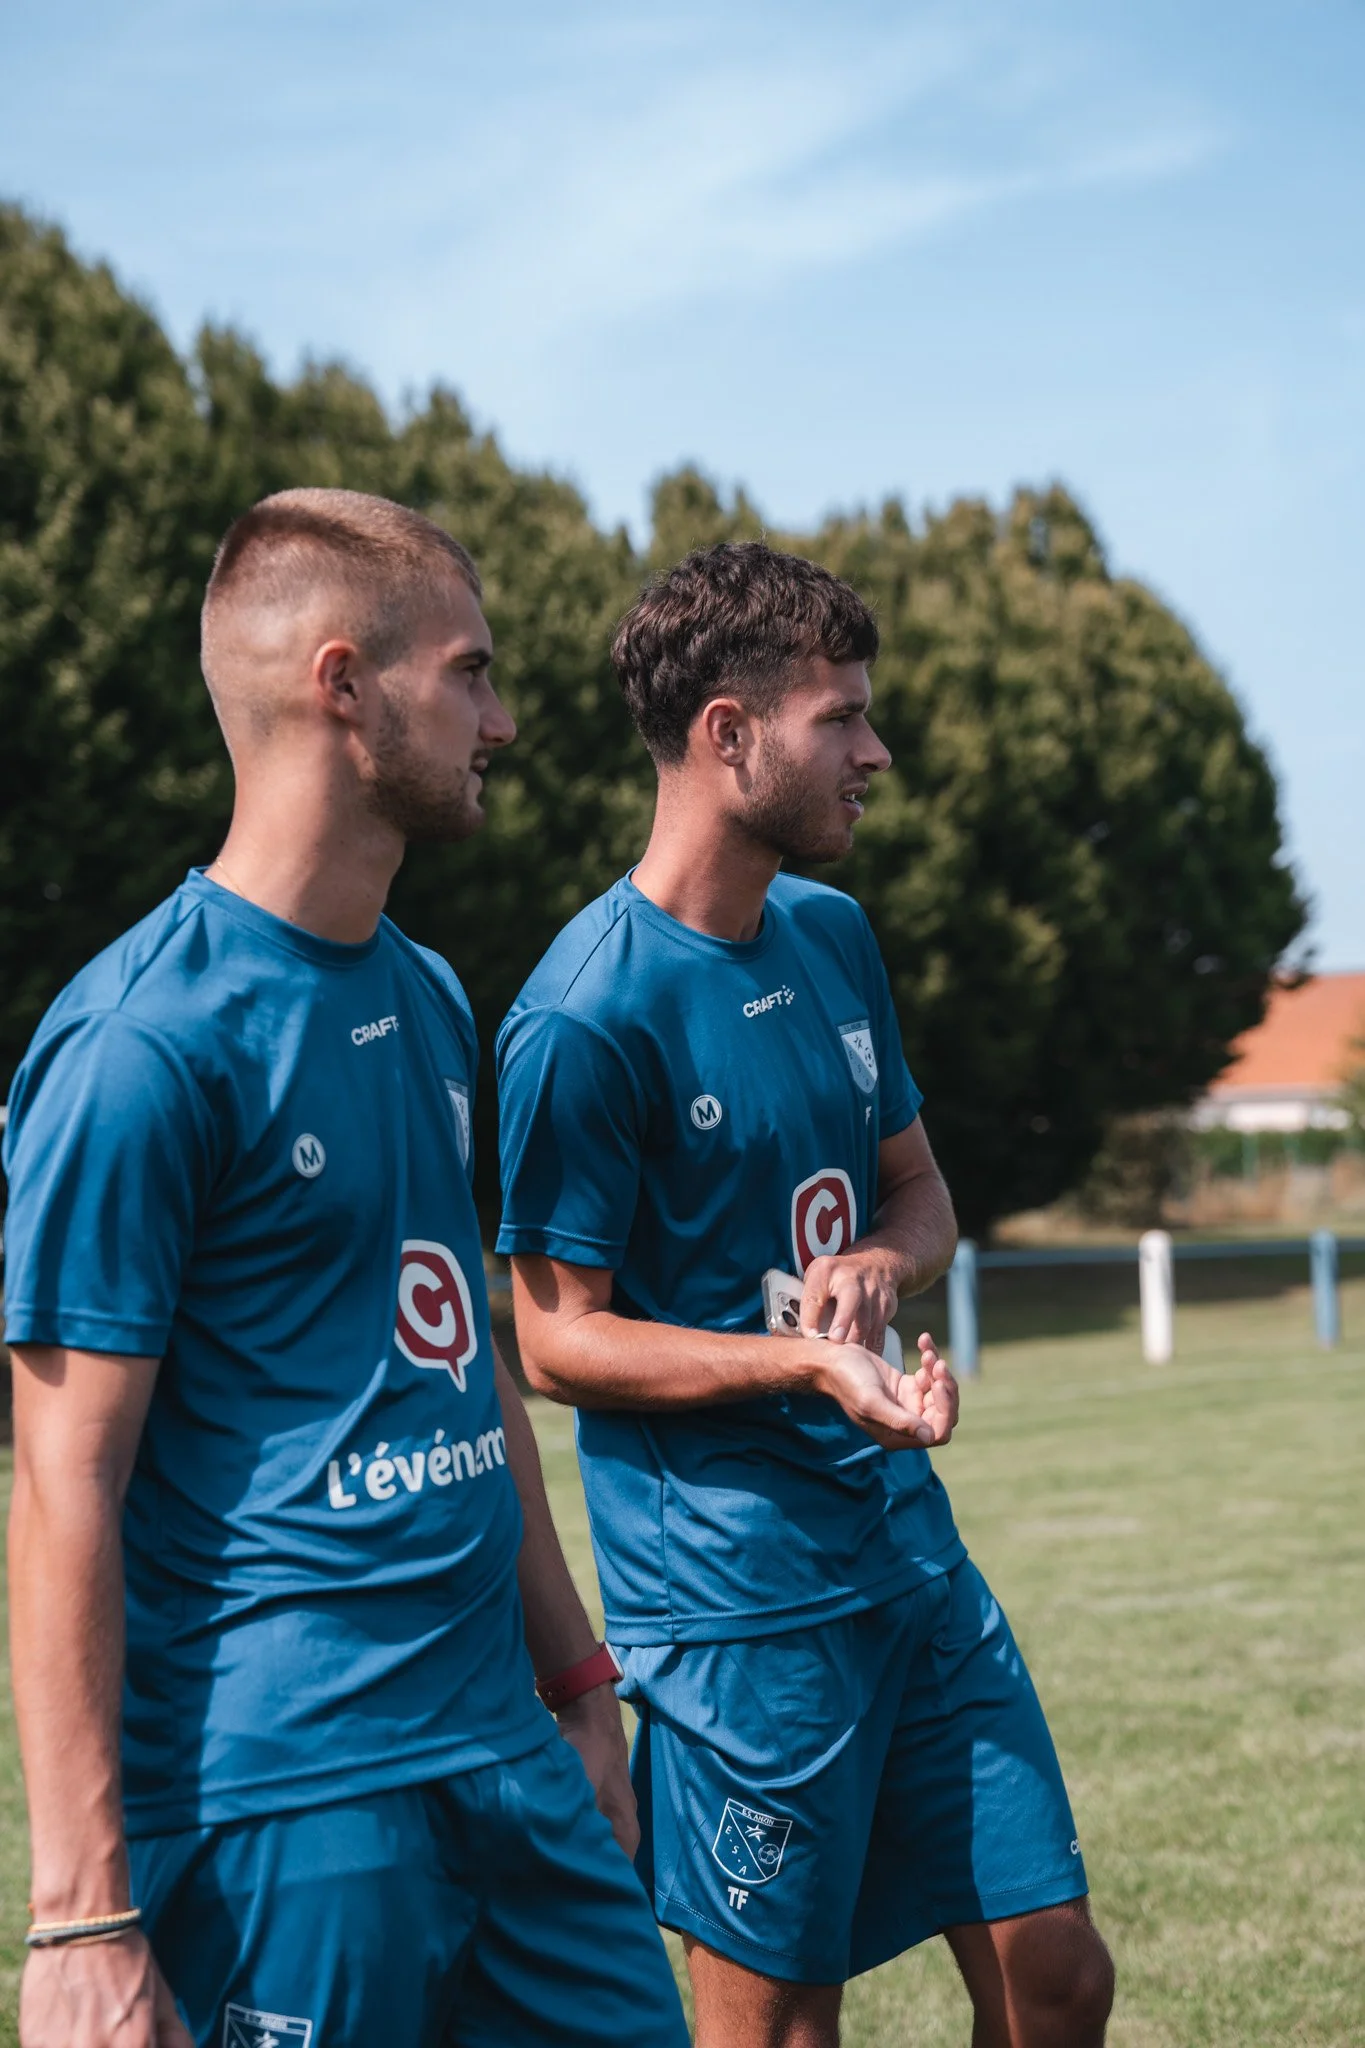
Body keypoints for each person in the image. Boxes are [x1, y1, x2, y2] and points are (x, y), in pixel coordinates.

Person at [3, 490, 688, 2048]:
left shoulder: (432, 993)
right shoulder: (138, 1047)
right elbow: (61, 1485)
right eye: (472, 672)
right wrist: (80, 1915)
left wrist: (576, 1676)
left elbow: (462, 1365)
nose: (503, 719)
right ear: (341, 685)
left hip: (507, 1763)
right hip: (288, 1808)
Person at [495, 541, 1116, 2048]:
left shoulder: (833, 936)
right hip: (734, 1611)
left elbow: (921, 1194)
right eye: (840, 717)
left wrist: (883, 1274)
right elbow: (550, 1337)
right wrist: (798, 1366)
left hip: (908, 1555)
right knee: (778, 2028)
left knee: (1060, 1975)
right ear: (728, 735)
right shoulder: (583, 1015)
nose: (875, 751)